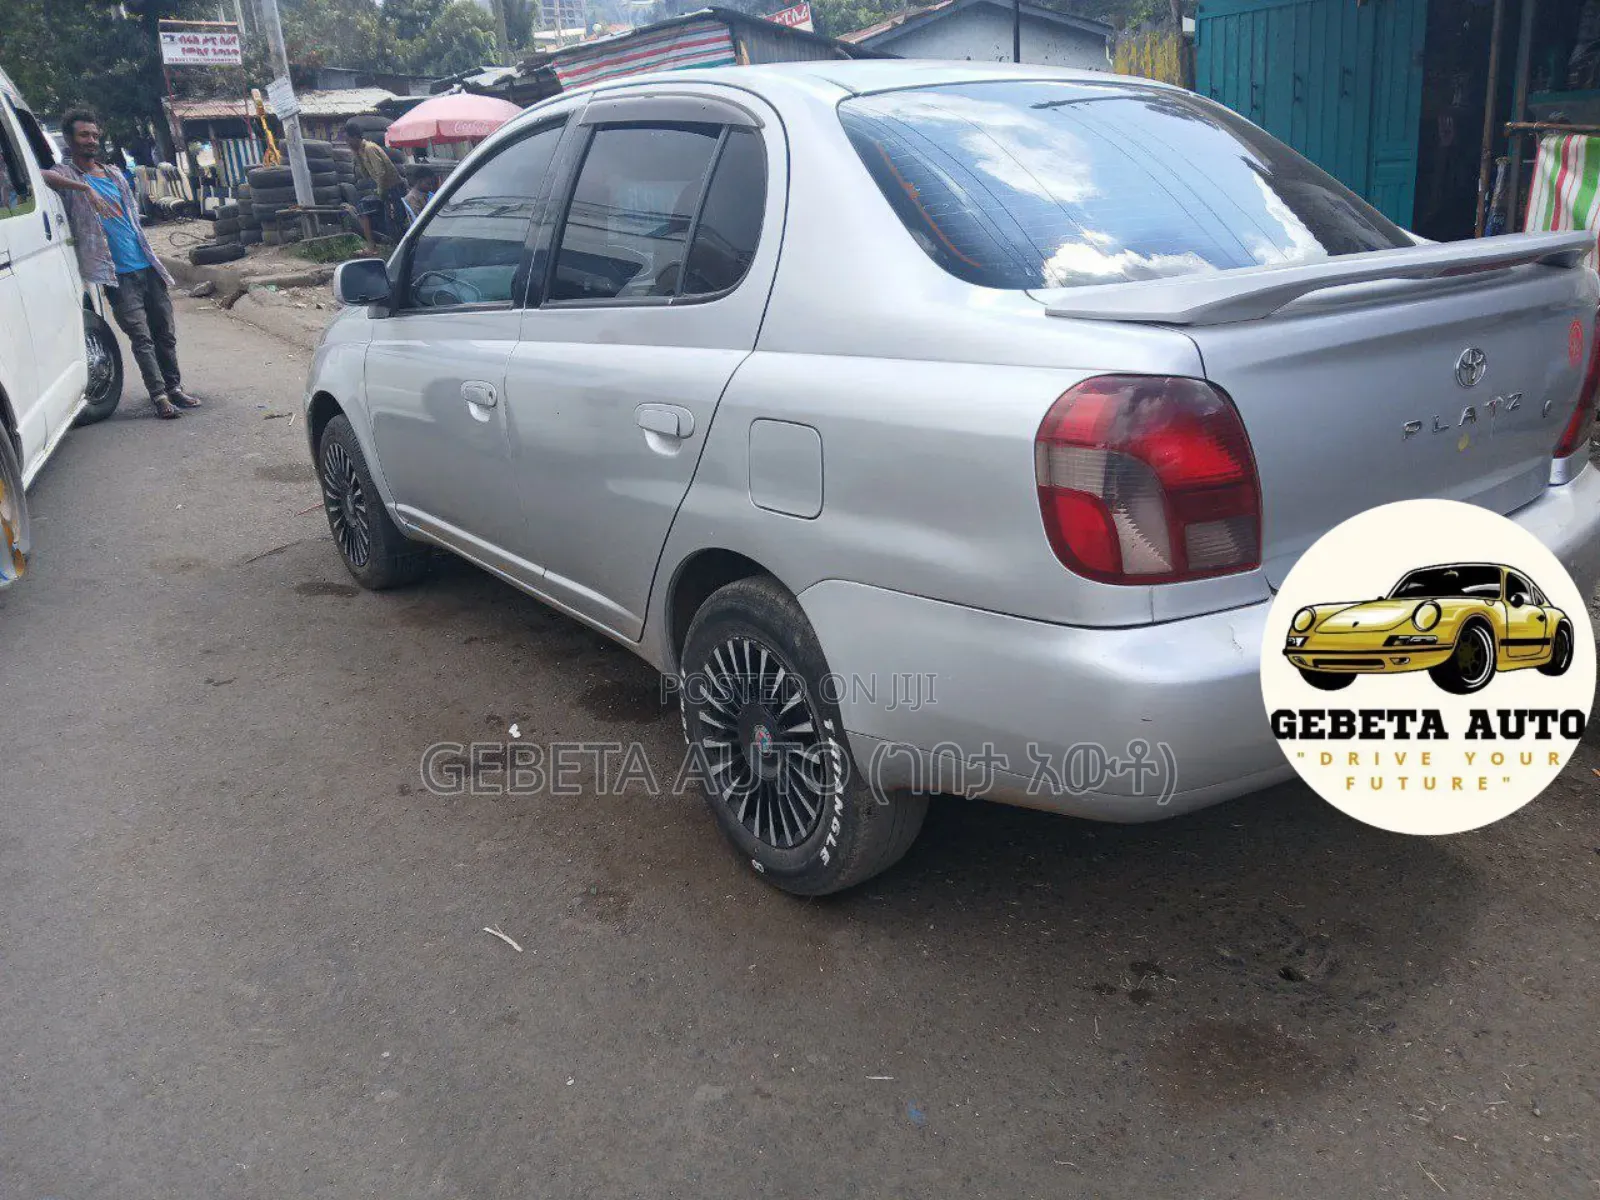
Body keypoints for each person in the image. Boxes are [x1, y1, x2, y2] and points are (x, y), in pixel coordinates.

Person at [43, 109, 197, 420]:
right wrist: (84, 189)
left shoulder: (113, 174)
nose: (91, 140)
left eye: (95, 135)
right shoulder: (68, 175)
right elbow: (42, 176)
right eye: (84, 135)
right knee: (141, 338)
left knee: (164, 332)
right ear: (70, 139)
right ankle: (160, 396)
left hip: (146, 265)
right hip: (117, 276)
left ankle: (175, 387)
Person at [344, 119, 405, 255]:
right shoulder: (361, 152)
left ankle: (394, 248)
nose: (347, 144)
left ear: (355, 137)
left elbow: (380, 173)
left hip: (392, 188)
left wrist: (380, 192)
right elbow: (366, 174)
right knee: (363, 210)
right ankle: (373, 246)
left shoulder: (370, 148)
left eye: (348, 140)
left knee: (394, 219)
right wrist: (357, 157)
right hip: (385, 188)